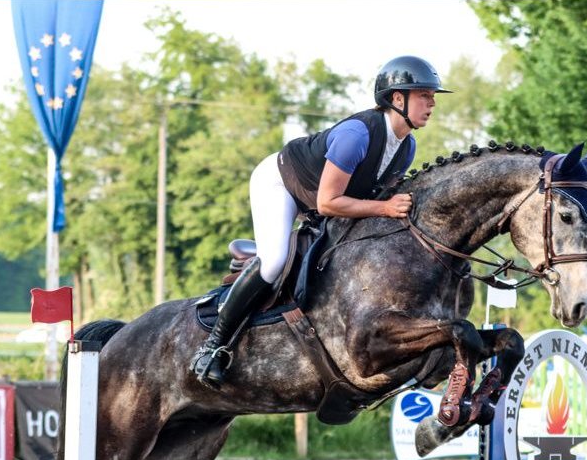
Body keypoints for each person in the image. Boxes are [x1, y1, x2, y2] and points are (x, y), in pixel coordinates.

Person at [191, 55, 451, 389]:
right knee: (273, 262)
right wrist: (386, 208)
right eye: (424, 95)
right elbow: (329, 202)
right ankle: (213, 346)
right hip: (281, 182)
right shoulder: (357, 135)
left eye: (432, 97)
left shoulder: (407, 147)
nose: (431, 103)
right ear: (397, 98)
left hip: (319, 198)